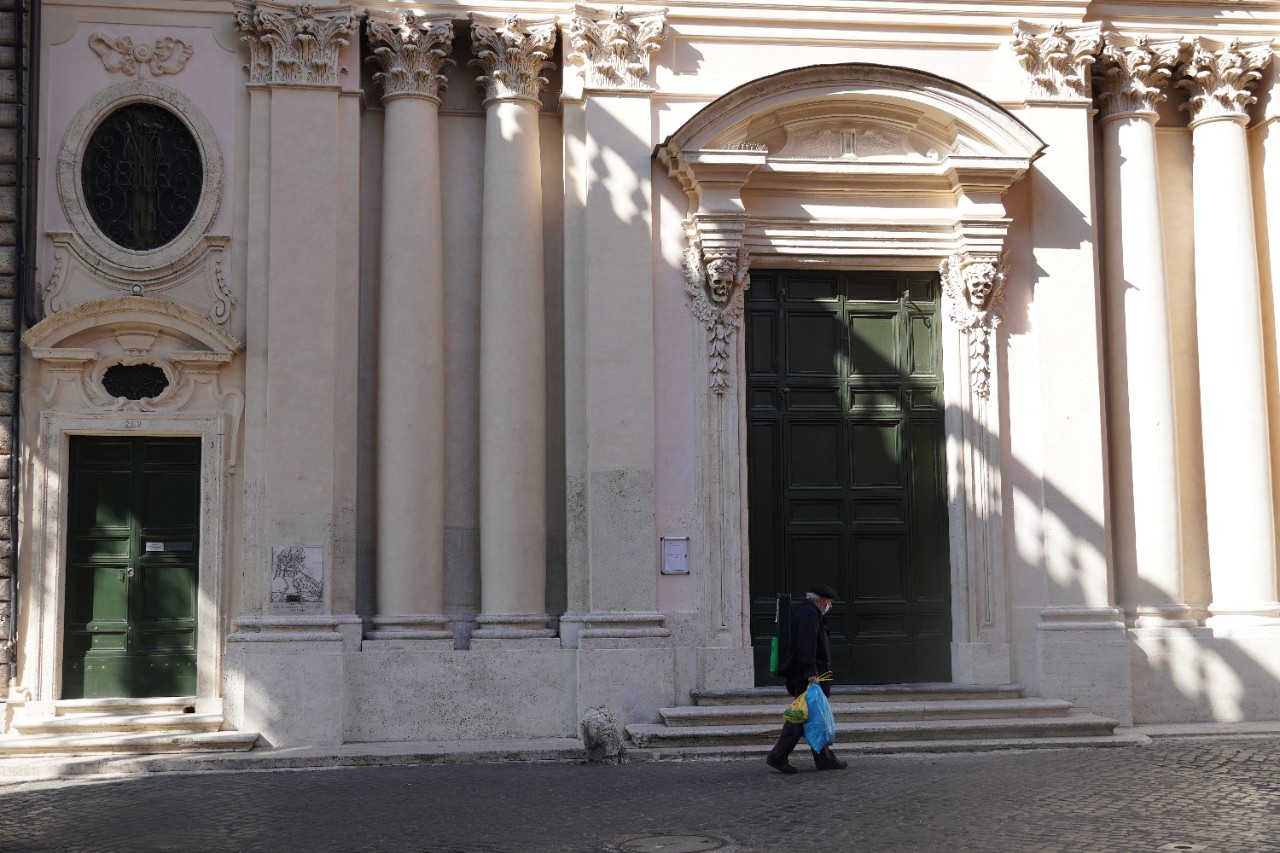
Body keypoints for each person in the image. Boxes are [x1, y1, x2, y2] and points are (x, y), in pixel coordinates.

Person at [766, 583, 848, 774]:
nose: (831, 606)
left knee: (813, 716)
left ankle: (824, 759)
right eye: (829, 602)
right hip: (809, 675)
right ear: (821, 600)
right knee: (800, 718)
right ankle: (778, 756)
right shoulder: (809, 614)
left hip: (812, 673)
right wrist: (811, 673)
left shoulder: (809, 612)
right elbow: (806, 645)